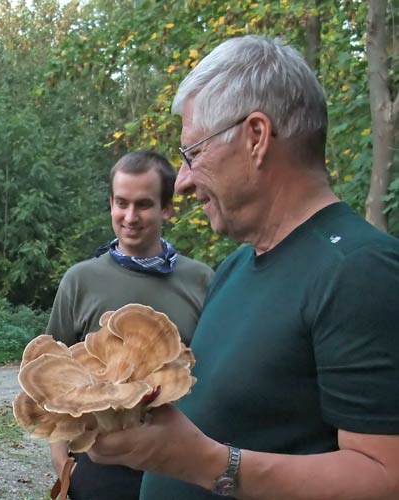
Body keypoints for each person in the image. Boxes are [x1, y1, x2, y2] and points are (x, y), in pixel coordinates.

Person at [87, 35, 399, 499]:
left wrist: (208, 464)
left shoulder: (359, 270)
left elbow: (386, 477)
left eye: (194, 153)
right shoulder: (236, 267)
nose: (184, 182)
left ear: (256, 137)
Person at [46, 150, 214, 500]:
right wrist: (64, 466)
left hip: (179, 465)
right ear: (110, 203)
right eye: (121, 203)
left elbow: (213, 376)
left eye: (144, 205)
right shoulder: (80, 281)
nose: (130, 216)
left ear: (167, 209)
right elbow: (52, 381)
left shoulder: (201, 281)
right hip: (99, 466)